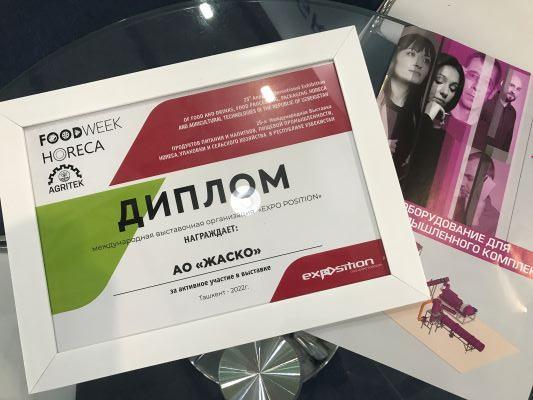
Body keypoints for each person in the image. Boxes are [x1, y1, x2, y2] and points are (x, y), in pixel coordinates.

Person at [403, 53, 465, 206]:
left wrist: (427, 119)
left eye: (452, 88)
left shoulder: (444, 141)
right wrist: (426, 117)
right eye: (439, 80)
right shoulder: (401, 111)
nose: (445, 92)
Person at [377, 33, 436, 183]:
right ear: (395, 56)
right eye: (411, 54)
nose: (418, 64)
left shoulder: (418, 116)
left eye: (426, 60)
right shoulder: (374, 93)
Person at [472, 73, 523, 152]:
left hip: (494, 157)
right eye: (511, 85)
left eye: (518, 89)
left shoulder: (513, 113)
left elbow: (507, 143)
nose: (514, 91)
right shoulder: (485, 102)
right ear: (502, 83)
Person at [453, 152, 500, 236]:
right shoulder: (451, 202)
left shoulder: (496, 222)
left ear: (486, 182)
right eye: (461, 176)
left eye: (470, 178)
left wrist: (473, 221)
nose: (461, 182)